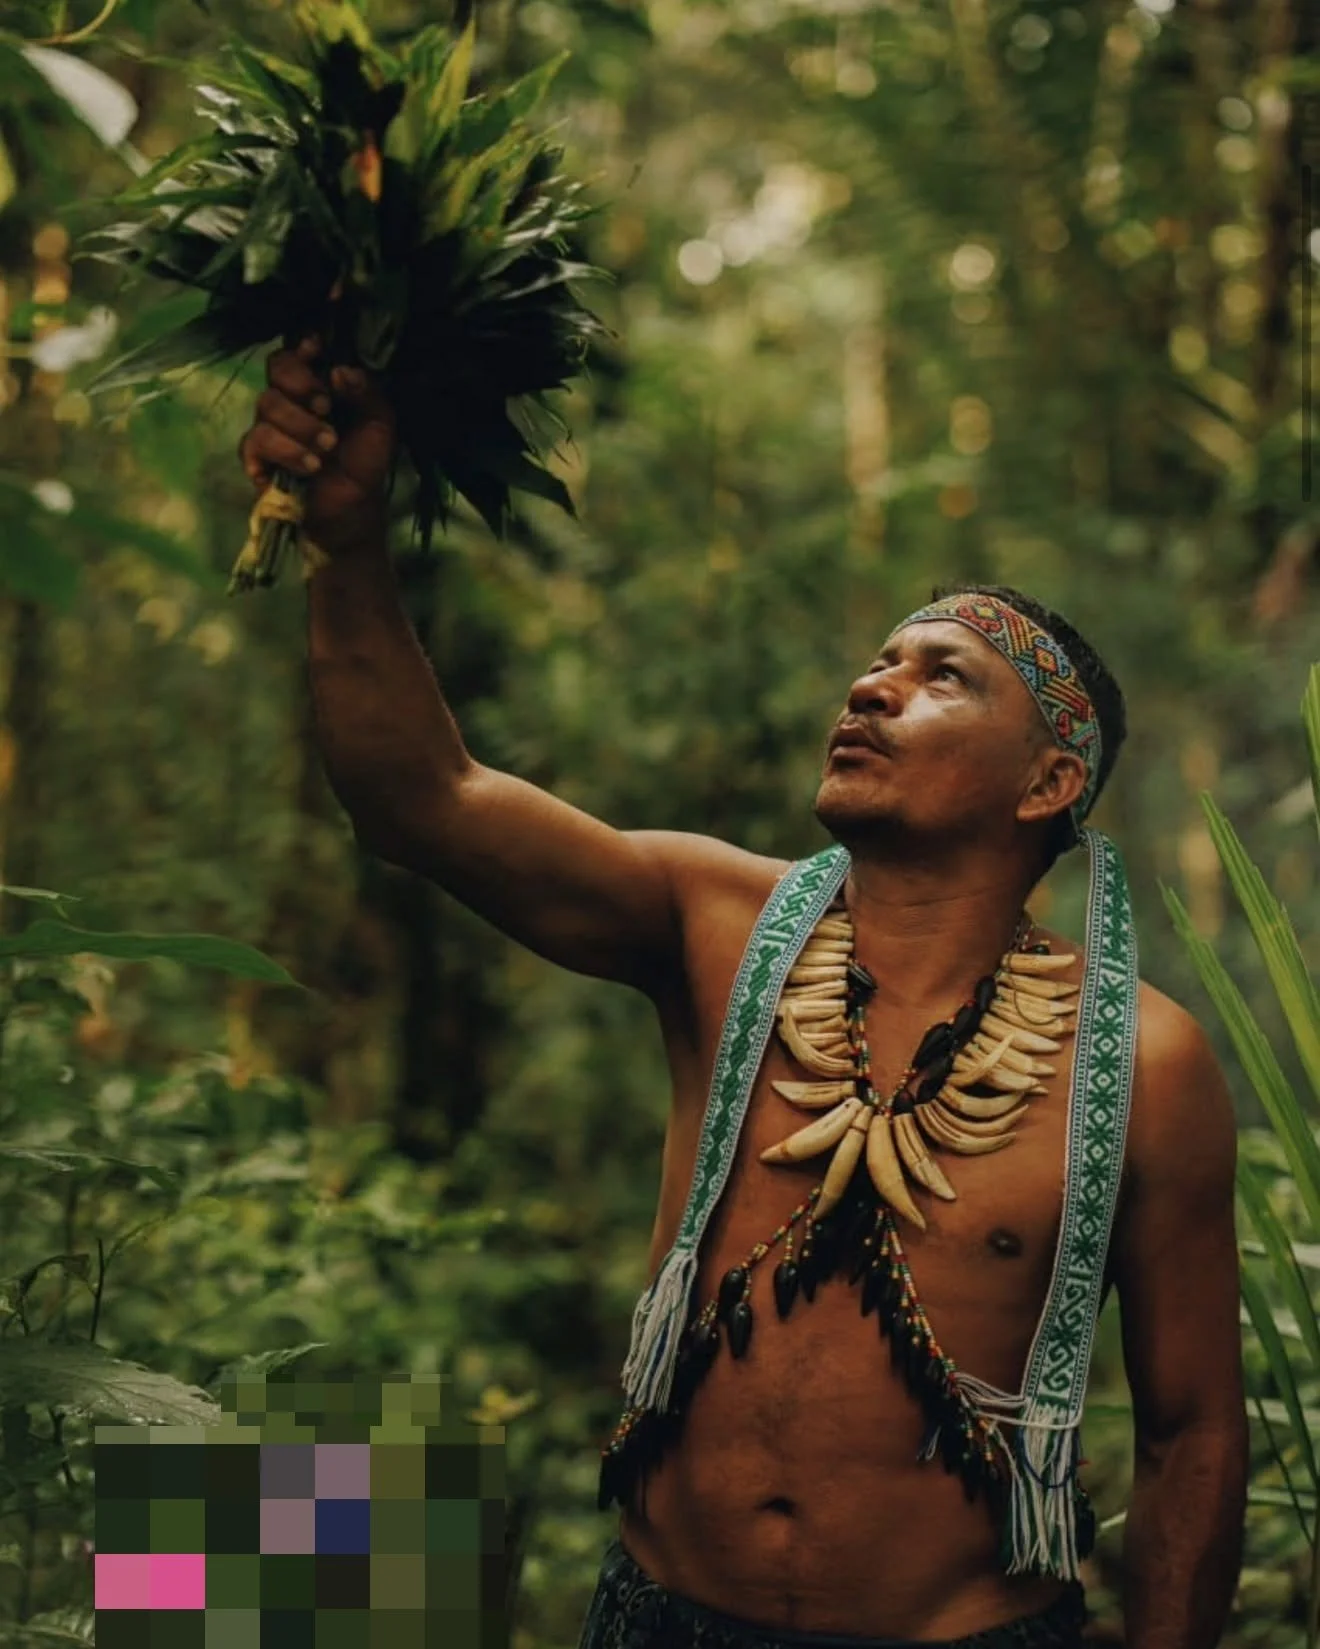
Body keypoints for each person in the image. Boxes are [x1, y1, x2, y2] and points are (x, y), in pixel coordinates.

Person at [239, 338, 1249, 1649]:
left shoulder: (1141, 1065)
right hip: (662, 1616)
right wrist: (347, 544)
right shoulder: (713, 923)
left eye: (944, 676)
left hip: (967, 1631)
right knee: (247, 1581)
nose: (875, 686)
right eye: (878, 662)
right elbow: (425, 800)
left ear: (1049, 784)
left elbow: (1192, 1436)